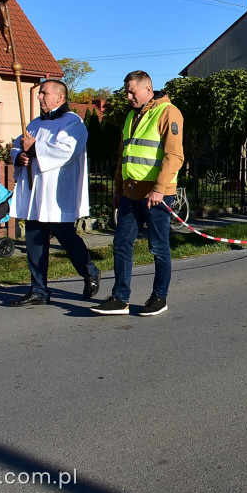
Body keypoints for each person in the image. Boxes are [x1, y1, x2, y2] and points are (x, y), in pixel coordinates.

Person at [92, 71, 184, 316]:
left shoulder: (168, 112)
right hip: (130, 195)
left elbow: (174, 156)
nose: (128, 95)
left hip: (156, 195)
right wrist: (118, 190)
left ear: (148, 90)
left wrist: (159, 188)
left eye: (132, 91)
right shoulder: (131, 116)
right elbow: (125, 156)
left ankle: (159, 297)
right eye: (126, 91)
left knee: (158, 247)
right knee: (121, 244)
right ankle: (120, 298)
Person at [9, 79, 101, 307]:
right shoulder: (34, 124)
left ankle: (89, 271)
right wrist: (19, 156)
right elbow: (16, 145)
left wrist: (35, 149)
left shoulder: (74, 123)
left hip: (57, 193)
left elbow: (67, 151)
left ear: (59, 97)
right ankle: (38, 290)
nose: (39, 97)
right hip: (34, 193)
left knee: (67, 239)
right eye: (40, 93)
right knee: (34, 241)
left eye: (44, 93)